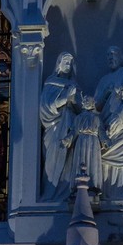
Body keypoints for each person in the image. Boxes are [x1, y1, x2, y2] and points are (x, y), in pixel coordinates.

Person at [39, 52, 78, 196]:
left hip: (70, 127)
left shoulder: (74, 85)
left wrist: (74, 100)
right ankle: (50, 194)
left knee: (69, 163)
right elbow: (46, 106)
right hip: (55, 127)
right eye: (65, 62)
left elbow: (79, 107)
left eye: (70, 63)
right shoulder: (51, 83)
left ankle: (65, 194)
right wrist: (65, 98)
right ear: (59, 64)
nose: (67, 65)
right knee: (53, 161)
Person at [70, 94, 103, 187]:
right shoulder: (79, 118)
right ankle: (77, 185)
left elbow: (101, 131)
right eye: (85, 101)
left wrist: (106, 141)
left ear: (93, 103)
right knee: (81, 160)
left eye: (88, 100)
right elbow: (74, 131)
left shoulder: (97, 118)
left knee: (93, 162)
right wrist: (67, 139)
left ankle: (94, 185)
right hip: (81, 141)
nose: (86, 102)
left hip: (93, 141)